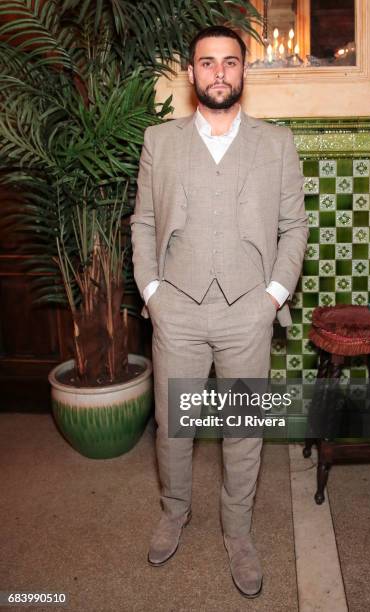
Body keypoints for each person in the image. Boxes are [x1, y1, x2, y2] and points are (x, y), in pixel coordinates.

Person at [130, 25, 308, 599]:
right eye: (207, 63)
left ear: (244, 71)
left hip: (246, 312)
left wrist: (272, 297)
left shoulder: (276, 143)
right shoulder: (160, 141)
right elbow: (144, 224)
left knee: (242, 430)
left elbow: (294, 227)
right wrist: (153, 292)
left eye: (230, 62)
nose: (219, 73)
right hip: (176, 308)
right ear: (191, 73)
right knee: (173, 426)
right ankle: (174, 512)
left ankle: (239, 533)